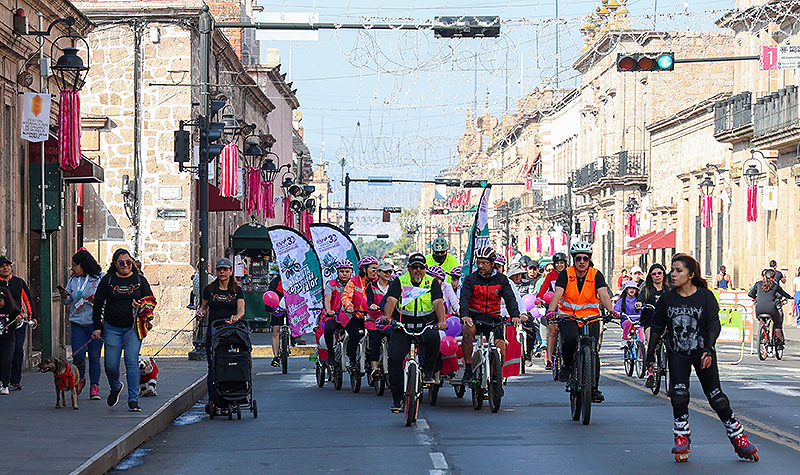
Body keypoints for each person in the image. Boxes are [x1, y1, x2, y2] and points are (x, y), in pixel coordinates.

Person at [646, 254, 757, 461]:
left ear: (691, 275)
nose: (673, 275)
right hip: (677, 352)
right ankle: (681, 437)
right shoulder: (668, 298)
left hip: (702, 352)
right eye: (672, 270)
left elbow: (714, 325)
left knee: (717, 398)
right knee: (679, 395)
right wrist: (650, 353)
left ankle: (738, 436)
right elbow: (657, 326)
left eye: (679, 271)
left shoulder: (705, 296)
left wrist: (708, 349)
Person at [546, 241, 615, 403]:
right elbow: (557, 294)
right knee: (569, 339)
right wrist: (551, 311)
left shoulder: (596, 274)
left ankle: (593, 389)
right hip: (569, 316)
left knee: (593, 352)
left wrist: (611, 310)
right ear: (573, 260)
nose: (582, 262)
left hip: (591, 317)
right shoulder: (566, 274)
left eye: (585, 258)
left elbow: (604, 295)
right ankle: (568, 366)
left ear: (589, 259)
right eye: (578, 259)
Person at [382, 252, 447, 413]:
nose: (418, 270)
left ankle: (428, 371)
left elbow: (438, 303)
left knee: (434, 340)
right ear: (409, 268)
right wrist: (387, 316)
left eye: (422, 267)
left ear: (425, 269)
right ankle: (397, 398)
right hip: (402, 326)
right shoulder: (399, 281)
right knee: (395, 359)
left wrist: (442, 321)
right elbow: (391, 300)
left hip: (425, 326)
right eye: (415, 267)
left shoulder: (432, 282)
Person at [92, 249, 154, 412]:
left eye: (128, 262)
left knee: (131, 361)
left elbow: (150, 300)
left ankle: (133, 399)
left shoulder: (140, 280)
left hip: (133, 328)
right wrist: (97, 327)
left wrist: (141, 307)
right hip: (111, 327)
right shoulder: (108, 280)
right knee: (111, 364)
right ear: (115, 264)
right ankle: (115, 386)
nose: (125, 265)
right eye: (121, 263)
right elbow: (98, 303)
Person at [459, 247, 521, 384]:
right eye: (478, 262)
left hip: (493, 319)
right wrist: (464, 315)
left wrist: (515, 315)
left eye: (484, 263)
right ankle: (468, 368)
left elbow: (510, 299)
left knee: (501, 348)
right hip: (474, 318)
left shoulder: (502, 279)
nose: (480, 266)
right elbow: (464, 299)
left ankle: (496, 377)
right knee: (467, 332)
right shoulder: (471, 279)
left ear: (492, 264)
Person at [196, 258, 245, 412]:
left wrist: (237, 317)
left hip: (231, 332)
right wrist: (200, 313)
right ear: (216, 272)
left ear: (231, 271)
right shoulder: (209, 289)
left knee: (231, 363)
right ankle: (214, 401)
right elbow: (203, 307)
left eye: (225, 269)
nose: (222, 272)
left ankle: (233, 396)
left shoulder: (237, 290)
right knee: (213, 367)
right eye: (219, 270)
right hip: (214, 332)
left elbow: (241, 309)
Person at [58, 249, 104, 400]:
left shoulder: (99, 278)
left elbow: (106, 299)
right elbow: (68, 301)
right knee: (78, 356)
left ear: (82, 265)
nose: (72, 268)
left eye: (74, 265)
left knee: (94, 357)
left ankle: (95, 386)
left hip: (94, 323)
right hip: (77, 322)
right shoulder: (73, 280)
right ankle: (80, 379)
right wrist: (64, 296)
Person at [0, 255, 36, 391]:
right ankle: (4, 379)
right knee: (4, 352)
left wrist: (32, 317)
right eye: (2, 266)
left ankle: (15, 379)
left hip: (18, 321)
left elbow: (28, 300)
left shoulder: (19, 282)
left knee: (18, 349)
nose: (5, 268)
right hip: (2, 322)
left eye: (7, 265)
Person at [341, 256, 378, 369]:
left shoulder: (377, 282)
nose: (376, 272)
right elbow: (346, 297)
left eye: (377, 269)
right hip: (352, 315)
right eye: (373, 269)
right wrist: (349, 306)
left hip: (370, 316)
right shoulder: (353, 281)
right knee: (354, 335)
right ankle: (352, 361)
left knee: (374, 336)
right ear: (364, 270)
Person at [638, 263, 671, 388]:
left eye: (659, 273)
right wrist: (640, 303)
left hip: (666, 321)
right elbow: (641, 298)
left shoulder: (668, 289)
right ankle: (650, 373)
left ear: (663, 274)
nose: (657, 276)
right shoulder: (647, 289)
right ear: (650, 276)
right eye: (654, 274)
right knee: (651, 339)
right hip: (650, 319)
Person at [537, 252, 568, 370]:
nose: (559, 265)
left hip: (567, 306)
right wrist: (539, 297)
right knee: (553, 331)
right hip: (553, 306)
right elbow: (543, 287)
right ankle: (549, 359)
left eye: (561, 263)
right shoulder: (551, 275)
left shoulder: (569, 274)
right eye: (557, 263)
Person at [748, 269, 792, 349]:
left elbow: (750, 294)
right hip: (771, 309)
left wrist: (756, 298)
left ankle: (762, 334)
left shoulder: (758, 284)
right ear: (774, 277)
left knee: (762, 320)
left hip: (759, 309)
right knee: (777, 323)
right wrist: (790, 297)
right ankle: (779, 343)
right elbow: (783, 293)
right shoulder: (775, 285)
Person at [364, 259, 393, 380]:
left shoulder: (393, 286)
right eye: (385, 272)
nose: (388, 274)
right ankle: (375, 368)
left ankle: (393, 365)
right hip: (374, 319)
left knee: (394, 338)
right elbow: (369, 300)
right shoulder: (371, 286)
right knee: (375, 339)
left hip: (389, 320)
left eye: (390, 272)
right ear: (379, 272)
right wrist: (371, 305)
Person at [322, 260, 354, 368]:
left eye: (347, 271)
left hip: (349, 316)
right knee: (329, 328)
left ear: (351, 272)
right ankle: (330, 351)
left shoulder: (354, 284)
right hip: (334, 315)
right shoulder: (331, 284)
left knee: (356, 333)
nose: (344, 274)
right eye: (342, 271)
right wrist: (329, 310)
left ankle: (352, 354)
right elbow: (327, 298)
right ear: (337, 272)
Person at [0, 287, 22, 395]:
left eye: (0, 301)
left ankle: (5, 384)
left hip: (8, 340)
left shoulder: (12, 310)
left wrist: (21, 316)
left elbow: (22, 314)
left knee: (6, 361)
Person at [615, 280, 642, 349]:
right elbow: (616, 310)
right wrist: (617, 314)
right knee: (628, 322)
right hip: (626, 321)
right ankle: (624, 339)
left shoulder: (639, 300)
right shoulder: (622, 300)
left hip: (637, 322)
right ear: (626, 290)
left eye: (633, 288)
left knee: (641, 337)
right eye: (630, 288)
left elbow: (643, 308)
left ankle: (642, 355)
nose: (632, 290)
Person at [267, 272, 285, 368]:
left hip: (291, 307)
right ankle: (276, 356)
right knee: (276, 331)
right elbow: (270, 293)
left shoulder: (293, 279)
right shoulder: (275, 281)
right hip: (277, 307)